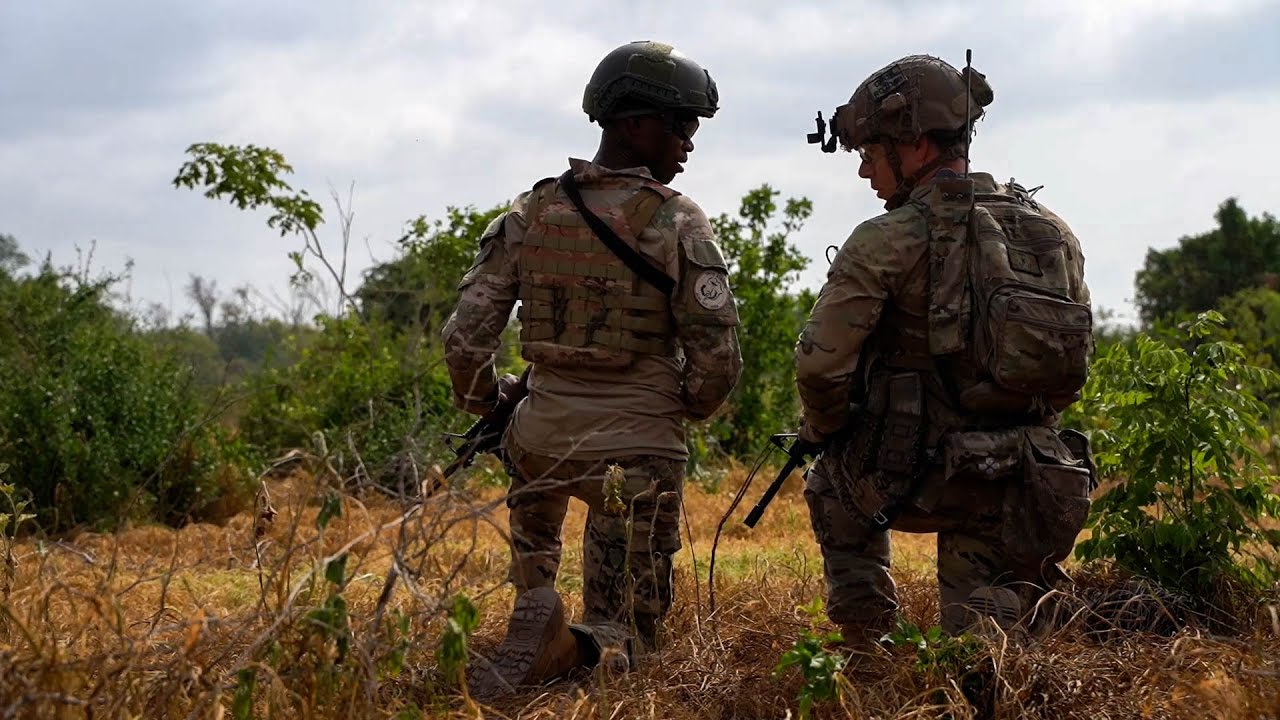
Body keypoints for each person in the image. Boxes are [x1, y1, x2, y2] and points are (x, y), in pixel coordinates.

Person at [441, 40, 742, 697]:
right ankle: (579, 642)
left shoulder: (532, 212)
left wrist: (493, 407)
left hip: (539, 442)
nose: (690, 141)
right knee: (629, 632)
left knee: (539, 565)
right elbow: (717, 355)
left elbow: (466, 339)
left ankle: (536, 613)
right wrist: (679, 403)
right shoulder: (676, 220)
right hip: (635, 449)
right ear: (633, 124)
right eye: (680, 124)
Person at [794, 54, 1096, 646]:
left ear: (915, 146)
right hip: (1028, 477)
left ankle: (868, 645)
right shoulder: (1052, 231)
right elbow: (1073, 365)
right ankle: (993, 634)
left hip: (918, 477)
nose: (864, 173)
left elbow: (818, 364)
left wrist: (827, 427)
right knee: (984, 648)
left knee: (828, 477)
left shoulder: (886, 238)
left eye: (870, 153)